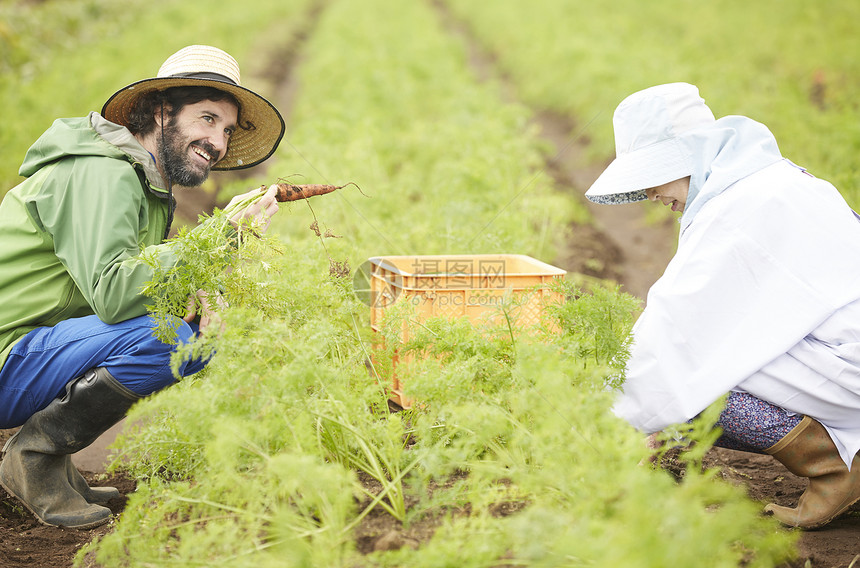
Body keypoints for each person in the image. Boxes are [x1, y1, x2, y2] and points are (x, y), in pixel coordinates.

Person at [0, 45, 285, 529]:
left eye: (227, 130)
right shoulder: (102, 172)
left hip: (32, 345)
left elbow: (133, 287)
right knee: (173, 338)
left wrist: (197, 291)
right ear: (161, 111)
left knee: (189, 329)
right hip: (10, 355)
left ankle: (57, 464)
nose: (217, 141)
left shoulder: (142, 182)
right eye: (208, 119)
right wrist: (217, 237)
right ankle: (33, 458)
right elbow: (114, 292)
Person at [585, 82, 860, 529]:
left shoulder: (740, 205)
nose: (651, 196)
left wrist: (613, 419)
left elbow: (677, 326)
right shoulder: (768, 182)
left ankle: (837, 467)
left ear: (685, 157)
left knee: (696, 373)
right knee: (686, 371)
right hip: (843, 355)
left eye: (651, 179)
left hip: (849, 366)